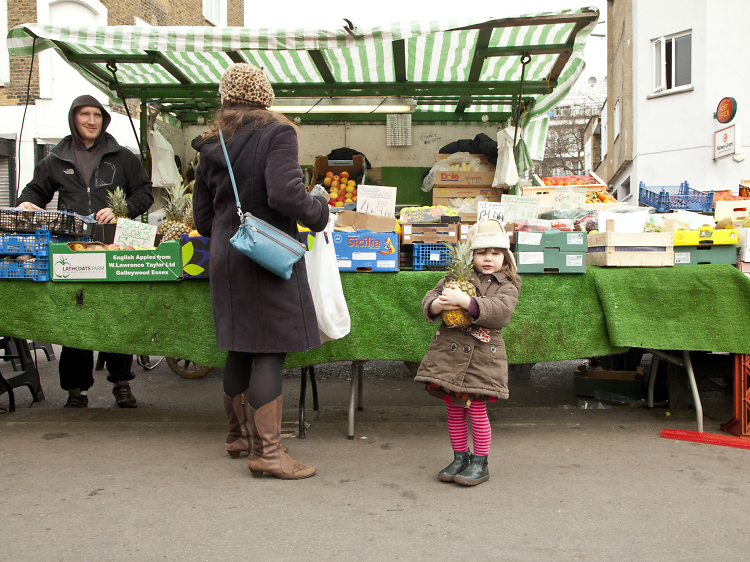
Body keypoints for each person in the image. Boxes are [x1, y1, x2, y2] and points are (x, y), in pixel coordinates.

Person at [192, 64, 329, 480]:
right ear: (265, 97)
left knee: (239, 344)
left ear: (225, 99)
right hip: (266, 255)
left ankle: (238, 437)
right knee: (268, 347)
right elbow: (285, 192)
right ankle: (268, 453)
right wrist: (319, 212)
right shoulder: (278, 133)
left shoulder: (211, 143)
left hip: (225, 257)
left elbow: (201, 219)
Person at [16, 95, 154, 409]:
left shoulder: (123, 157)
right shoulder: (56, 157)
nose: (91, 121)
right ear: (74, 118)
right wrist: (27, 202)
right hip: (72, 247)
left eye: (96, 115)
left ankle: (121, 383)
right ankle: (75, 389)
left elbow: (144, 193)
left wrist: (123, 211)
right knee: (74, 316)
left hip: (114, 243)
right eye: (84, 114)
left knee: (116, 312)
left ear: (104, 120)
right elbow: (35, 191)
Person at [414, 219, 521, 486]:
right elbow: (431, 296)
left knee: (476, 411)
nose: (488, 259)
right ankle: (460, 457)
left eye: (496, 253)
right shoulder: (454, 279)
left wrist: (466, 301)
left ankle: (480, 462)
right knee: (453, 409)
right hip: (449, 358)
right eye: (481, 252)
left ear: (505, 257)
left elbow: (502, 311)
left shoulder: (507, 283)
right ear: (470, 255)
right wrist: (437, 304)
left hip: (482, 359)